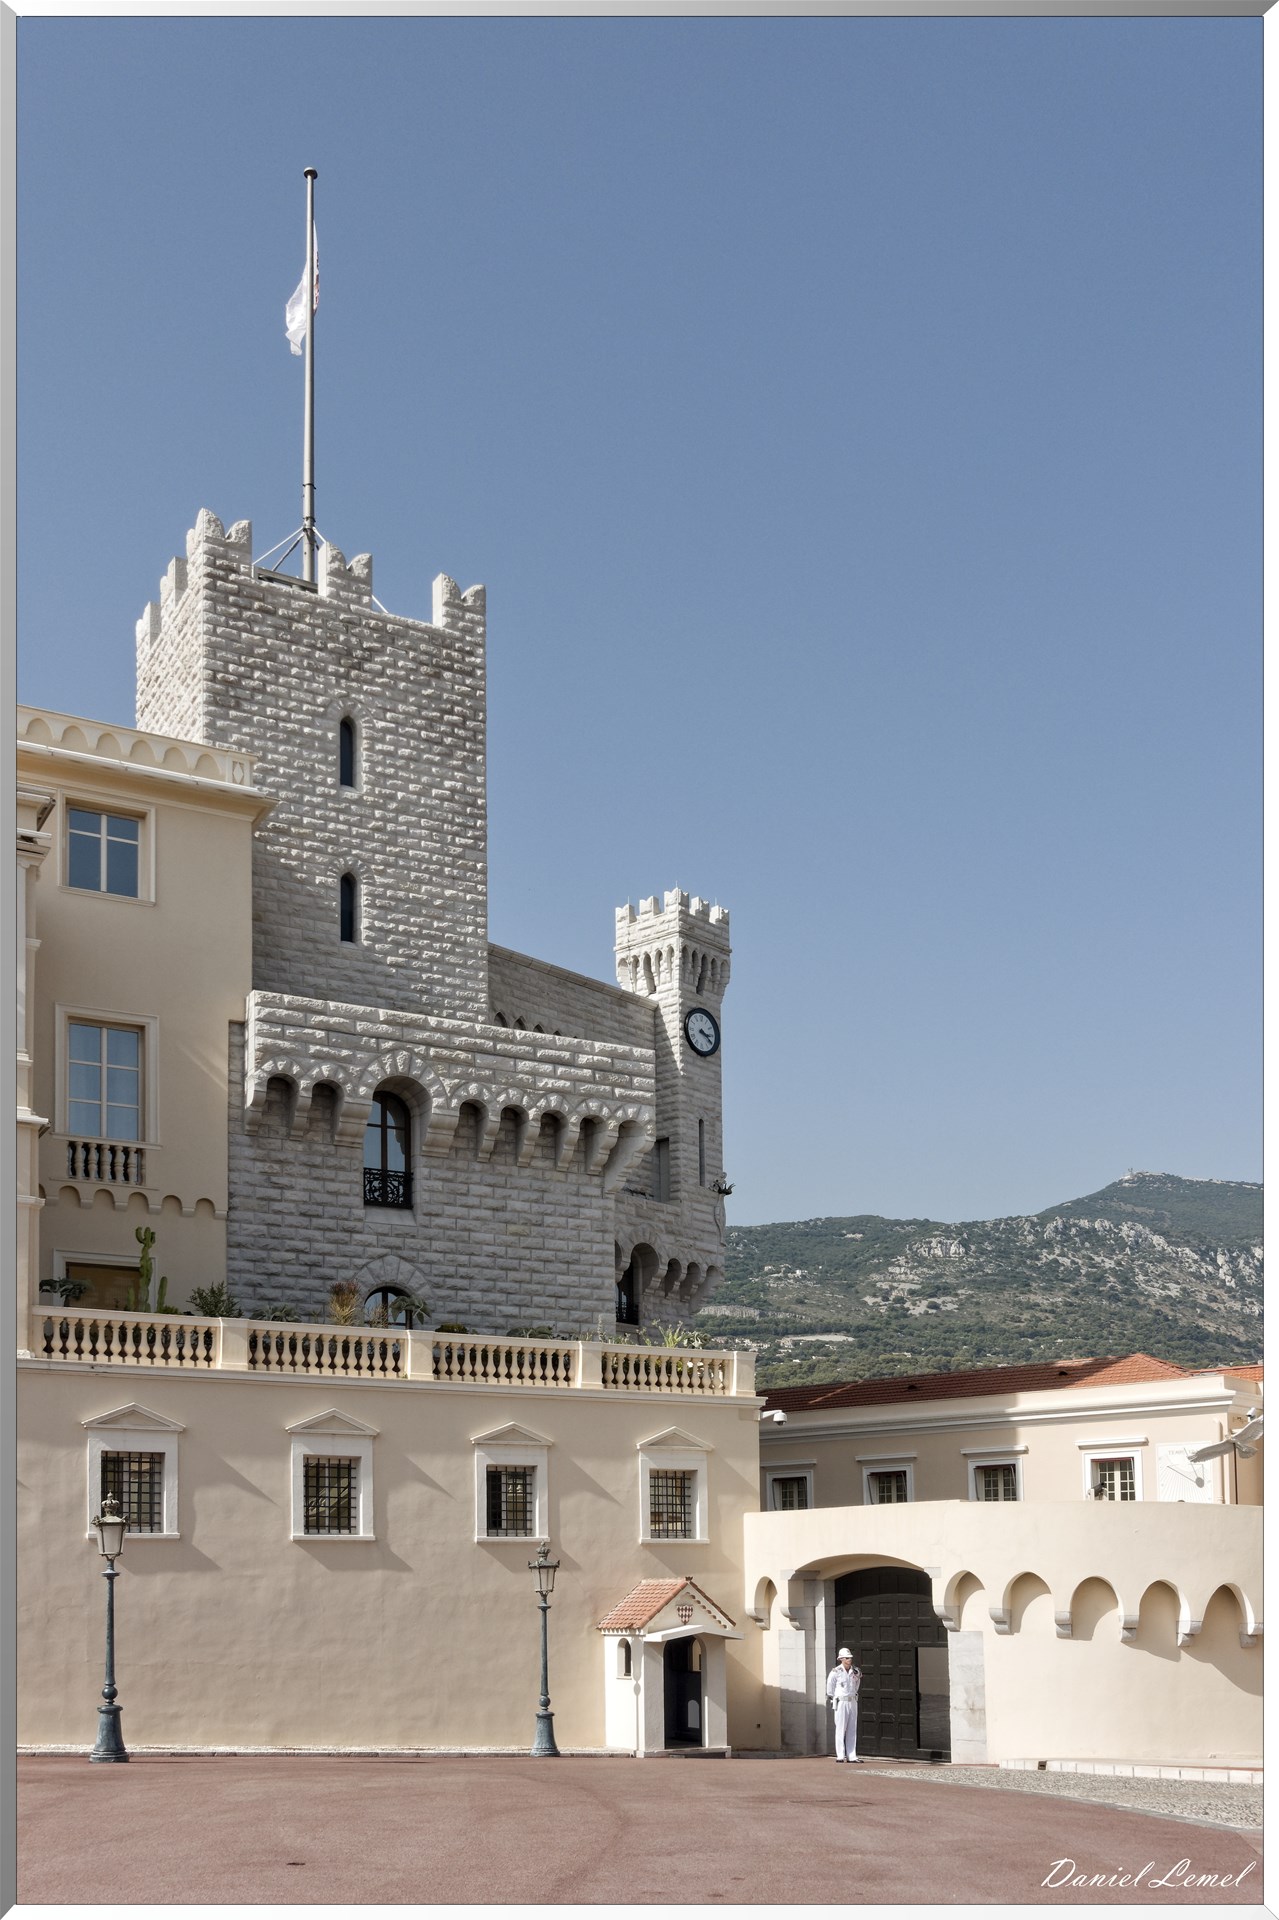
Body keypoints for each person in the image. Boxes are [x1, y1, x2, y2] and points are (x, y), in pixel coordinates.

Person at [826, 1647, 862, 1762]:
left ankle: (852, 1756)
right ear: (841, 1659)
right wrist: (834, 1698)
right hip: (841, 1702)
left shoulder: (855, 1671)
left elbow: (857, 1684)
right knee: (841, 1728)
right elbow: (830, 1688)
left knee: (852, 1728)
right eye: (846, 1658)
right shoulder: (835, 1672)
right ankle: (840, 1755)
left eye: (850, 1658)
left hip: (852, 1701)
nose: (849, 1660)